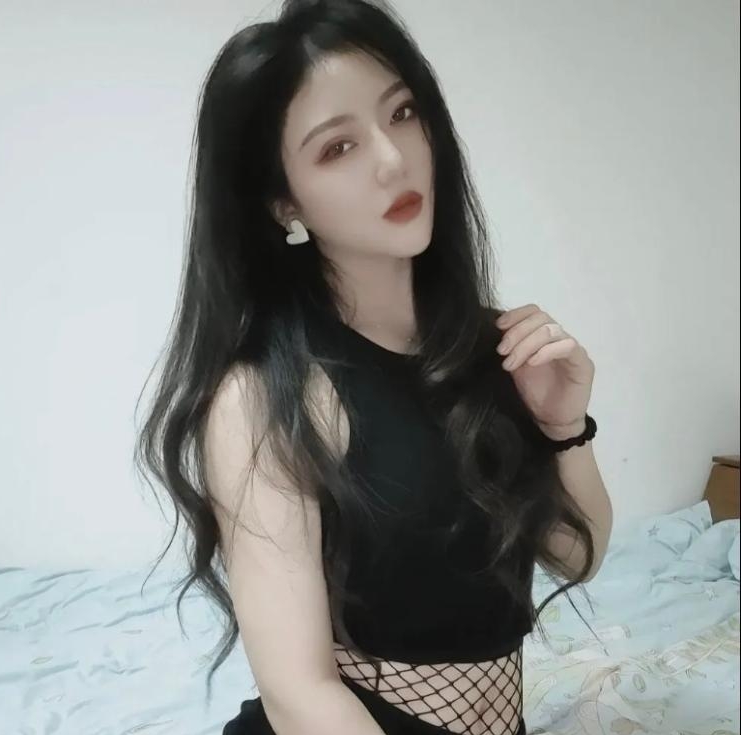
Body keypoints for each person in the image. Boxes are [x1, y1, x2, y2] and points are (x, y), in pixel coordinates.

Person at [135, 0, 613, 732]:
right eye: (338, 148)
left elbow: (578, 555)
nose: (393, 158)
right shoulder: (266, 396)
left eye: (402, 113)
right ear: (282, 201)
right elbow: (298, 693)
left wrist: (562, 426)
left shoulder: (493, 348)